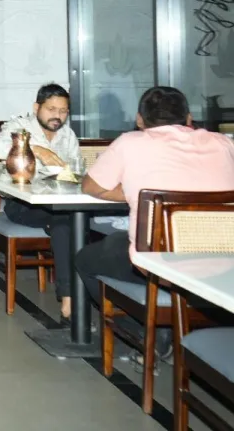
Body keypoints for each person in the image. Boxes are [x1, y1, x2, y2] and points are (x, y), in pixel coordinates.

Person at [77, 86, 234, 314]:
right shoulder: (224, 143)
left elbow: (91, 186)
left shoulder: (130, 143)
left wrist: (133, 192)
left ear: (140, 120)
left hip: (161, 260)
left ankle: (151, 335)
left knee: (85, 259)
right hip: (226, 260)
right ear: (189, 119)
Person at [0, 83, 81, 319]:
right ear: (37, 107)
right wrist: (36, 149)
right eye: (51, 109)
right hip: (23, 204)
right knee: (64, 225)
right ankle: (69, 299)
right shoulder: (20, 126)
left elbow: (78, 169)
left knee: (82, 223)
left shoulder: (68, 135)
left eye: (63, 111)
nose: (57, 116)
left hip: (61, 200)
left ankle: (87, 294)